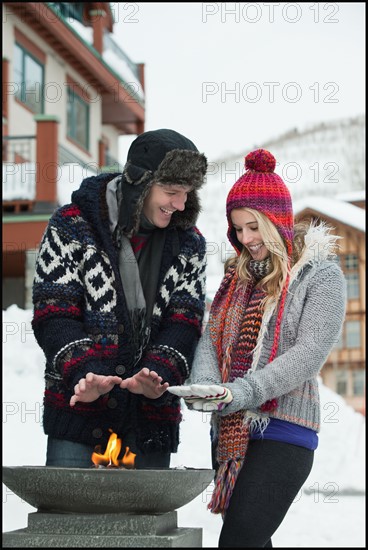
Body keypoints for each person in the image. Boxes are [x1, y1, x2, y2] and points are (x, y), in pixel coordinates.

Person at [168, 149, 347, 547]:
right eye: (237, 230)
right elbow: (211, 340)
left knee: (240, 539)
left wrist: (242, 392)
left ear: (277, 221)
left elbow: (307, 355)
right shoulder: (237, 279)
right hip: (230, 431)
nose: (245, 239)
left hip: (284, 429)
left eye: (253, 228)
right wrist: (206, 387)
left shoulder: (320, 277)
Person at [32, 129, 208, 469]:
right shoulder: (70, 227)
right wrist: (85, 374)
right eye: (171, 192)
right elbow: (55, 315)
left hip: (150, 418)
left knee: (145, 523)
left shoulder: (191, 244)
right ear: (139, 184)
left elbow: (184, 323)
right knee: (68, 518)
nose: (180, 205)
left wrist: (158, 375)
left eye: (186, 194)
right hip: (78, 410)